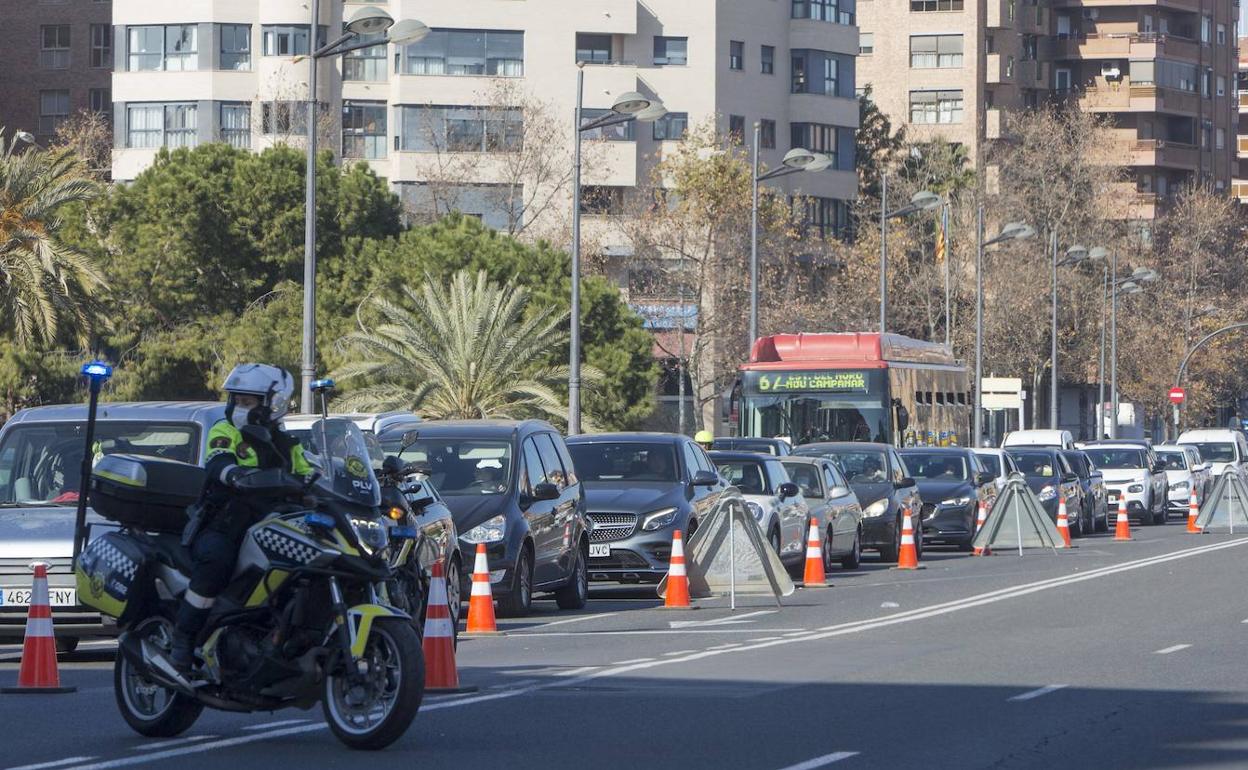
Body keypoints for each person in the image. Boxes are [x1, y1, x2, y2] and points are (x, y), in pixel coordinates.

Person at [167, 363, 312, 676]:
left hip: (275, 524)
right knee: (216, 562)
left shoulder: (288, 445)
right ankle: (183, 639)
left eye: (248, 402)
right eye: (237, 400)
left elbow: (308, 475)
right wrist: (232, 474)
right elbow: (217, 460)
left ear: (273, 405)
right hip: (225, 523)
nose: (239, 407)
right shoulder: (226, 431)